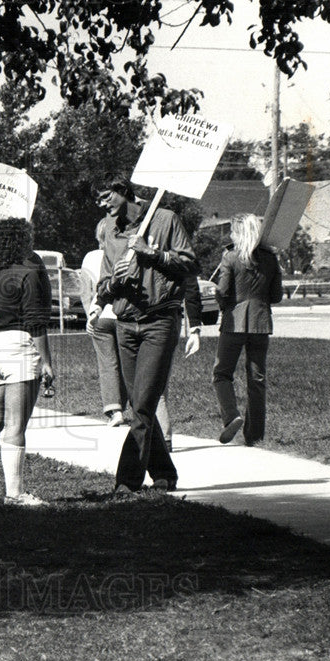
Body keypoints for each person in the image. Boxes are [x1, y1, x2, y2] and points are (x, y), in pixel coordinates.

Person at [87, 174, 198, 494]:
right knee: (140, 405)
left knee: (144, 404)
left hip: (159, 321)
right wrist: (113, 282)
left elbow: (190, 266)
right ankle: (164, 472)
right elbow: (104, 284)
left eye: (106, 196)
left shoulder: (165, 220)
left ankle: (126, 480)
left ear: (124, 192)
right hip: (125, 323)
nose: (102, 204)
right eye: (98, 200)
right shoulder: (108, 229)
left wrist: (152, 253)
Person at [0, 217, 54, 506]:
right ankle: (16, 493)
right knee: (16, 425)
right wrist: (47, 363)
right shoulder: (28, 271)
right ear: (23, 241)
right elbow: (36, 322)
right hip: (19, 345)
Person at [212, 213, 283, 446]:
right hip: (261, 321)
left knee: (222, 373)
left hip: (234, 320)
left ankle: (231, 416)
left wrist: (222, 304)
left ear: (239, 232)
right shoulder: (271, 258)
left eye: (232, 231)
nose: (230, 235)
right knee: (257, 378)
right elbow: (277, 296)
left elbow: (222, 291)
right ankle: (255, 436)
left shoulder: (230, 257)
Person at [80, 221, 131, 428]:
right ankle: (129, 405)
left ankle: (114, 409)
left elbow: (86, 292)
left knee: (107, 364)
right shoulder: (124, 253)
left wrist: (89, 315)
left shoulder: (91, 257)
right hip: (123, 313)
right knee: (127, 363)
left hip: (100, 315)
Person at [155, 274, 204, 452]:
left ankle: (163, 439)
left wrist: (195, 329)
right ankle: (161, 437)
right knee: (157, 382)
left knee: (154, 383)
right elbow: (192, 290)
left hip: (157, 319)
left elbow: (191, 290)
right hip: (168, 319)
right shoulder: (179, 254)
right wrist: (195, 329)